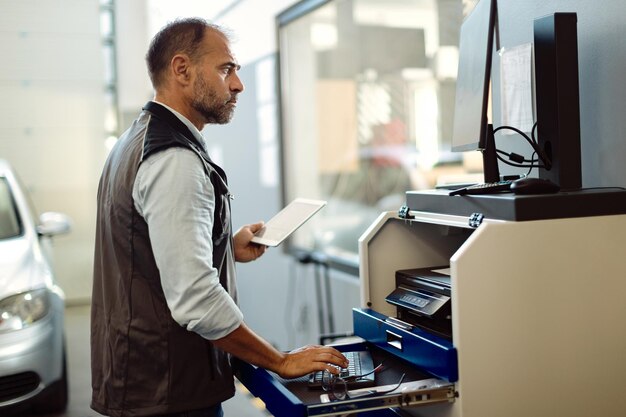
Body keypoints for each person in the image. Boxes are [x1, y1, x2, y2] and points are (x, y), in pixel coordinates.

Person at [90, 17, 347, 417]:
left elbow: (144, 246)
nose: (238, 84)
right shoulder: (173, 158)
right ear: (182, 69)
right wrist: (279, 360)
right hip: (167, 392)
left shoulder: (135, 140)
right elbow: (195, 298)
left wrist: (225, 247)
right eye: (226, 69)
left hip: (139, 379)